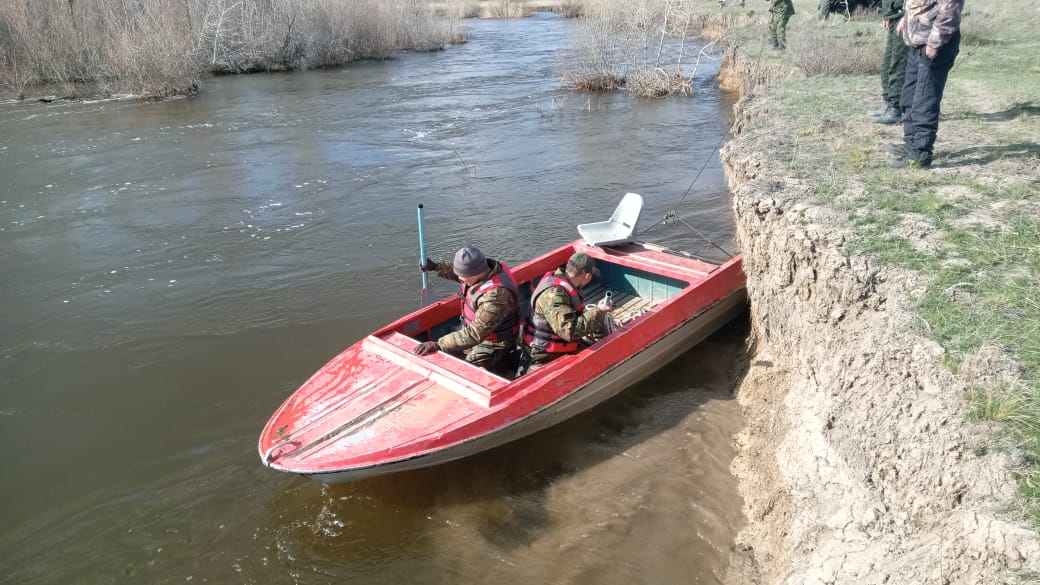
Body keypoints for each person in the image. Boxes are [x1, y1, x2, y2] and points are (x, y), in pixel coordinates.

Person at [414, 245, 521, 379]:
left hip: (497, 343)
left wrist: (439, 344)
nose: (459, 279)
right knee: (450, 351)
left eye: (462, 276)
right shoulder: (484, 269)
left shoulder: (495, 297)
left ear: (474, 274)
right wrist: (436, 267)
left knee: (468, 367)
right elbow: (462, 273)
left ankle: (504, 370)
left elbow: (475, 334)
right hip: (476, 333)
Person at [889, 0, 963, 169]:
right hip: (917, 42)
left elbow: (950, 11)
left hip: (935, 44)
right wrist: (905, 20)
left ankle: (921, 154)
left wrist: (935, 42)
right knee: (908, 96)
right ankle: (911, 144)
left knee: (924, 100)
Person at [520, 252, 614, 374]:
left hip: (549, 343)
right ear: (587, 276)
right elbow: (570, 332)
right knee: (603, 359)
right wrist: (599, 310)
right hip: (543, 353)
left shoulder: (557, 279)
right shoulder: (554, 295)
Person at [868, 0, 907, 125]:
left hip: (904, 16)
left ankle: (895, 108)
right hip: (895, 15)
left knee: (898, 64)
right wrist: (887, 14)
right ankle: (889, 104)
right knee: (888, 63)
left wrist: (908, 16)